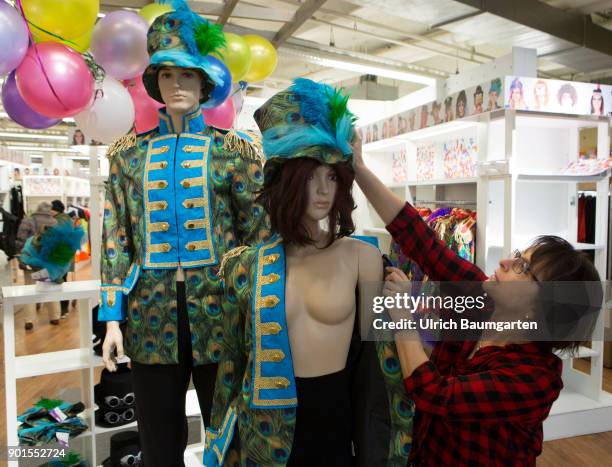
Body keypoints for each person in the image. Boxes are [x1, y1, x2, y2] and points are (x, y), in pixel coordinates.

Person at [352, 133, 603, 466]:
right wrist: (358, 167)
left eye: (523, 268)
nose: (504, 263)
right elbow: (421, 239)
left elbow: (435, 395)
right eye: (517, 255)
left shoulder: (533, 379)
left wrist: (403, 319)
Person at [204, 79, 412, 466]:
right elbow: (229, 367)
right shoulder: (244, 265)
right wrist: (218, 443)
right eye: (310, 175)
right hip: (262, 434)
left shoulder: (360, 258)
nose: (322, 190)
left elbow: (380, 368)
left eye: (332, 176)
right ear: (286, 180)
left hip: (335, 424)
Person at [98, 2, 270, 466]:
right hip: (149, 314)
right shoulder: (127, 157)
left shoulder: (233, 153)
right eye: (168, 75)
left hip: (220, 309)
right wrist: (111, 317)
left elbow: (258, 237)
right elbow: (116, 235)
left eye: (187, 75)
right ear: (155, 83)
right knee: (157, 438)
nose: (177, 85)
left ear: (204, 84)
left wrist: (258, 307)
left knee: (227, 429)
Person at [15, 202, 60, 329]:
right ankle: (55, 316)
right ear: (49, 210)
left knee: (29, 288)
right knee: (49, 286)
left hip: (31, 261)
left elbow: (20, 241)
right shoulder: (55, 222)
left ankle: (29, 320)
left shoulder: (27, 221)